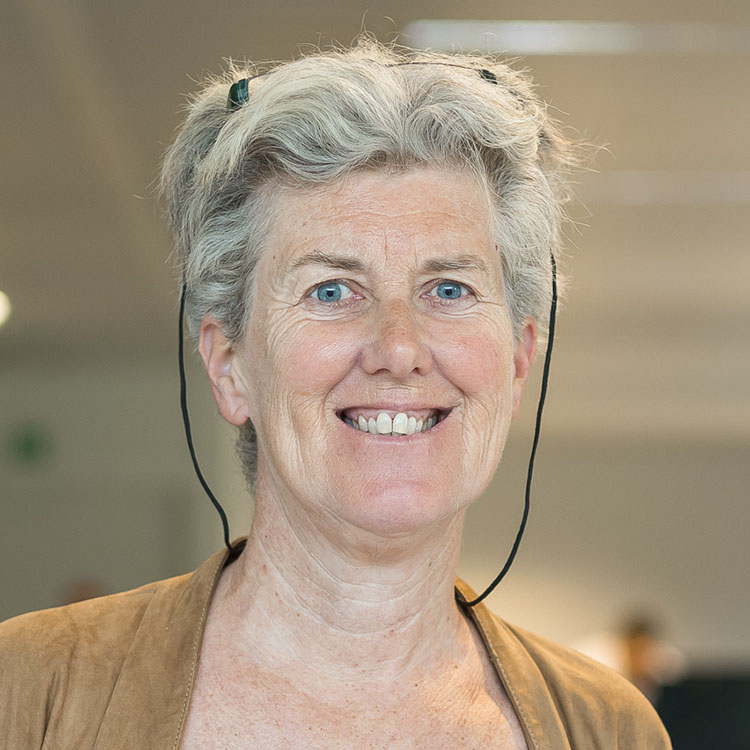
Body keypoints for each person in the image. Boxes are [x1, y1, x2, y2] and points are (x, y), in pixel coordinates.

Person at [0, 39, 671, 748]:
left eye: (449, 289)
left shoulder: (607, 728)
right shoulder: (29, 690)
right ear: (229, 365)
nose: (399, 349)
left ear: (518, 358)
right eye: (331, 291)